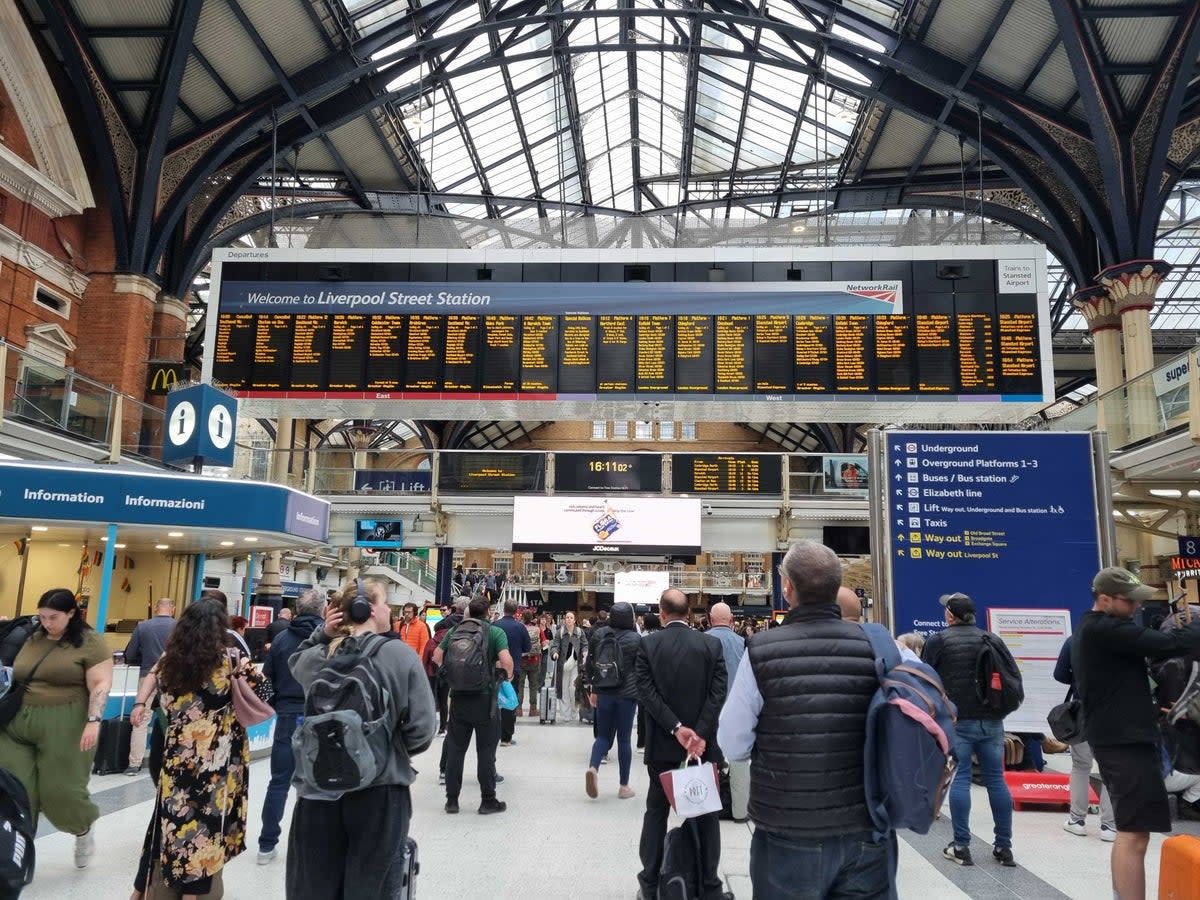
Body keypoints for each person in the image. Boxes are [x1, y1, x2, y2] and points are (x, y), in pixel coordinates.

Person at [718, 540, 890, 898]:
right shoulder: (879, 647)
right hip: (865, 828)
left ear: (788, 589)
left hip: (786, 829)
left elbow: (732, 742)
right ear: (836, 587)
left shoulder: (762, 651)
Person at [286, 578, 435, 897]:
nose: (389, 609)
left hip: (317, 791)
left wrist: (323, 632)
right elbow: (423, 730)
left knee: (316, 886)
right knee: (372, 886)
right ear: (366, 609)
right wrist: (381, 750)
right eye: (384, 603)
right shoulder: (399, 655)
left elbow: (295, 661)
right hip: (379, 792)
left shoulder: (317, 657)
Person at [1073, 567, 1200, 900]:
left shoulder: (1100, 628)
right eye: (1130, 601)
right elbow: (1175, 642)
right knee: (1132, 833)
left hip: (1124, 737)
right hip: (1123, 742)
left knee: (1133, 832)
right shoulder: (1104, 629)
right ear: (1104, 599)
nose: (1137, 607)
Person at [129, 599, 264, 898]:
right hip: (217, 762)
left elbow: (158, 687)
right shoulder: (230, 658)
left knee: (173, 819)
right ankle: (194, 892)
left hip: (177, 758)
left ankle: (155, 884)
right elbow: (265, 692)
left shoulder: (170, 660)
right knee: (207, 826)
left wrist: (140, 703)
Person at [0, 588, 112, 869]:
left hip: (67, 722)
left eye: (53, 617)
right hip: (18, 722)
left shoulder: (90, 642)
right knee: (15, 791)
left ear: (72, 614)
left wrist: (94, 721)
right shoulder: (31, 635)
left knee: (60, 791)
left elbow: (100, 684)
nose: (47, 623)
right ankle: (18, 854)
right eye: (42, 616)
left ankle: (82, 828)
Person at [635, 589, 727, 900]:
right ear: (688, 613)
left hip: (662, 747)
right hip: (702, 750)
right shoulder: (711, 645)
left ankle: (649, 884)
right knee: (707, 816)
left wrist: (675, 728)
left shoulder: (648, 646)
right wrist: (699, 734)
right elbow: (718, 693)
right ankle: (710, 886)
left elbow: (646, 693)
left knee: (656, 811)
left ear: (661, 612)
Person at [921, 591, 1018, 867]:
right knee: (996, 780)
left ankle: (961, 846)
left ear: (950, 615)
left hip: (957, 721)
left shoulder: (938, 642)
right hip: (992, 722)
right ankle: (1003, 847)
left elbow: (926, 680)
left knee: (961, 779)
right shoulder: (992, 639)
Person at [256, 589, 326, 865]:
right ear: (322, 610)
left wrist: (278, 705)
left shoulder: (282, 639)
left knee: (279, 782)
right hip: (318, 716)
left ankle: (266, 844)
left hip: (287, 715)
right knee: (316, 783)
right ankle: (311, 845)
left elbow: (265, 681)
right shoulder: (328, 639)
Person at [433, 595, 514, 814]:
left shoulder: (455, 630)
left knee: (456, 750)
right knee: (485, 751)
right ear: (488, 612)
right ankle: (488, 800)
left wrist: (448, 675)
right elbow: (506, 661)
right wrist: (506, 676)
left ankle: (452, 800)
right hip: (485, 700)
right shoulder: (495, 632)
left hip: (458, 698)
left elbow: (437, 655)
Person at [584, 601, 642, 801]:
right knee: (624, 738)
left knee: (602, 735)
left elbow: (589, 663)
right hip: (627, 694)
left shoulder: (599, 634)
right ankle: (624, 786)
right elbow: (641, 668)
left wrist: (593, 688)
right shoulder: (636, 639)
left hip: (604, 691)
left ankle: (593, 767)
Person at [122, 597, 177, 776]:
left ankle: (134, 763)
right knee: (171, 719)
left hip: (147, 676)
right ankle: (171, 759)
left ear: (155, 608)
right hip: (173, 678)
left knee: (141, 720)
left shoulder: (142, 626)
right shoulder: (180, 627)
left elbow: (130, 653)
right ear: (173, 609)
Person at [705, 602, 749, 822]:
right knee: (739, 760)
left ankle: (709, 806)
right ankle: (741, 810)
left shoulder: (702, 641)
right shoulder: (742, 643)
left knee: (710, 758)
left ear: (710, 619)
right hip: (737, 710)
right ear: (731, 620)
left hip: (709, 710)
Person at [494, 599, 530, 747]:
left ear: (503, 609)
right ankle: (506, 737)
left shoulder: (495, 625)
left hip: (495, 669)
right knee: (510, 701)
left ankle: (493, 733)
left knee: (495, 701)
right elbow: (527, 647)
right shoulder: (520, 627)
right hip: (512, 670)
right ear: (516, 611)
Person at [551, 611, 586, 723]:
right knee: (563, 689)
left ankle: (574, 712)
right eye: (567, 617)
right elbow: (555, 645)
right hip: (563, 665)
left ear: (574, 620)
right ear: (564, 619)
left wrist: (585, 651)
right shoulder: (560, 632)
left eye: (571, 617)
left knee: (573, 688)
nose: (569, 619)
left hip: (576, 664)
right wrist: (554, 653)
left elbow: (585, 644)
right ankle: (565, 714)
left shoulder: (580, 632)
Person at [514, 610, 543, 717]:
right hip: (534, 660)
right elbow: (544, 643)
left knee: (520, 685)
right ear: (532, 618)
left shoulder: (519, 628)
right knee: (533, 685)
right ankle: (533, 709)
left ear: (523, 617)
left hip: (521, 660)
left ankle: (518, 709)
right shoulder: (538, 629)